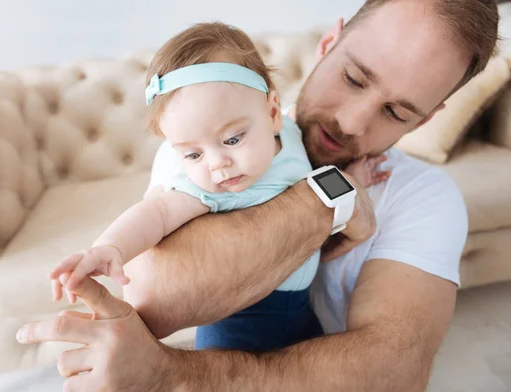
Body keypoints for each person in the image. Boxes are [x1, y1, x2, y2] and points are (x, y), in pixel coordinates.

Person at [16, 0, 499, 390]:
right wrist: (331, 193)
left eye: (397, 113)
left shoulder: (426, 198)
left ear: (427, 119)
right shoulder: (215, 133)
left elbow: (394, 372)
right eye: (353, 78)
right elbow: (156, 298)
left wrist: (169, 374)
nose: (352, 122)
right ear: (327, 44)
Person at [48, 22, 389, 352]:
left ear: (272, 113)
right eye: (193, 153)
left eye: (231, 139)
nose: (216, 164)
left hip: (301, 307)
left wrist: (354, 178)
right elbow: (157, 213)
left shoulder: (290, 132)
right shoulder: (206, 188)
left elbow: (314, 178)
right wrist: (111, 248)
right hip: (237, 319)